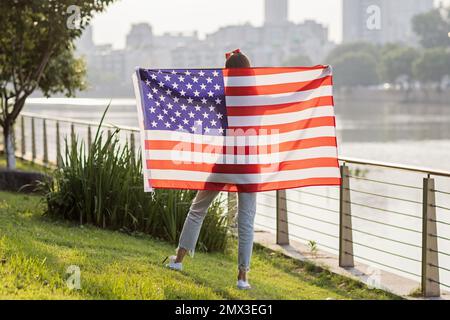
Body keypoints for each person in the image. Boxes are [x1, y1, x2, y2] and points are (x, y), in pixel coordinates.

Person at [165, 50, 257, 290]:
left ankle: (178, 260)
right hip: (248, 166)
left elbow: (190, 99)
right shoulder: (257, 97)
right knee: (246, 222)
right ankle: (242, 278)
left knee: (197, 211)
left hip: (224, 162)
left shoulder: (222, 96)